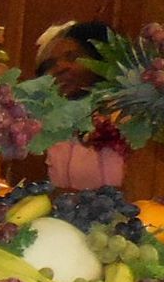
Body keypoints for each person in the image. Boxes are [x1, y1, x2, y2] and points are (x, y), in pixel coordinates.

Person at [35, 19, 124, 189]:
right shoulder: (55, 125)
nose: (59, 68)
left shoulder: (127, 120)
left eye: (72, 57)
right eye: (51, 64)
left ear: (102, 60)